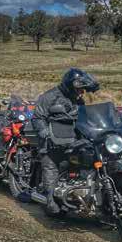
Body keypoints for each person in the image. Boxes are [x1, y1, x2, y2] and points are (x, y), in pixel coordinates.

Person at [34, 68, 99, 215]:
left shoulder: (78, 100)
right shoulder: (49, 97)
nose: (82, 92)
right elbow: (38, 117)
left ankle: (81, 195)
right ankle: (50, 200)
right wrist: (45, 132)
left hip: (71, 139)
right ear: (70, 85)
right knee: (51, 166)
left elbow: (84, 118)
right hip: (52, 140)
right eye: (79, 89)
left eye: (83, 90)